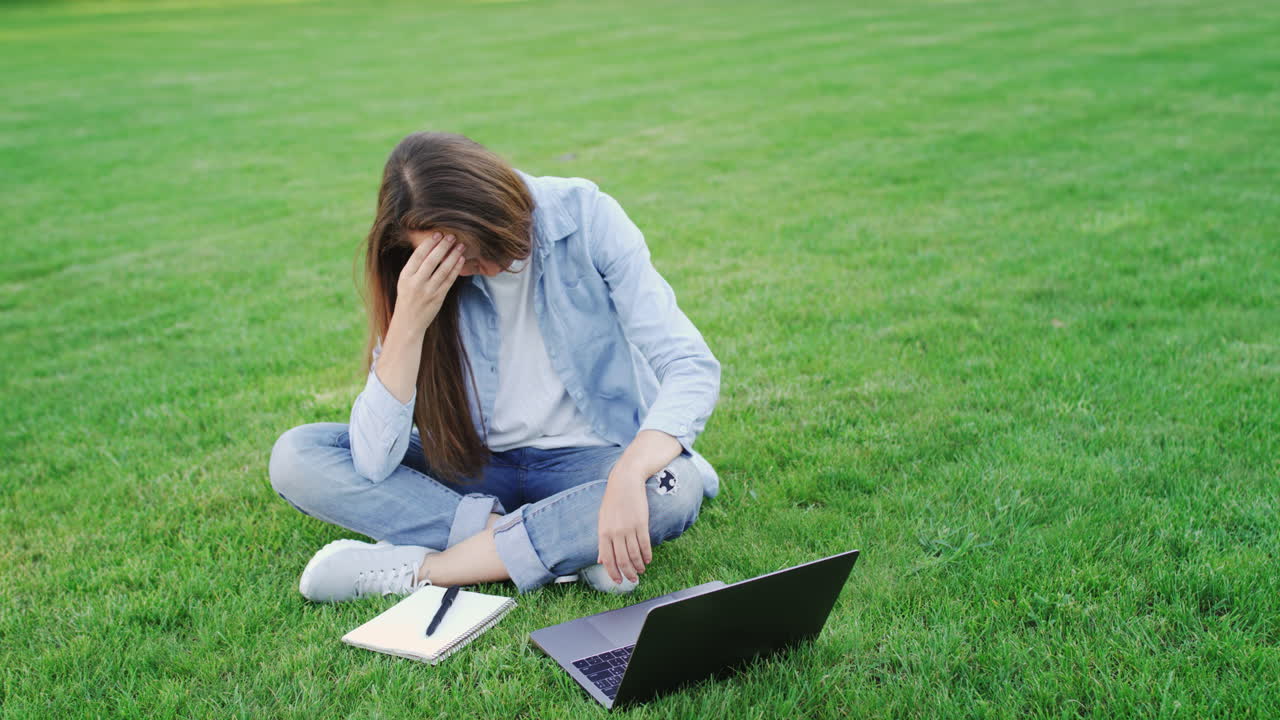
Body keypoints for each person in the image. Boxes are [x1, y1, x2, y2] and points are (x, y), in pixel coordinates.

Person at [268, 131, 721, 602]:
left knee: (674, 487)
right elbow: (374, 462)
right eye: (448, 256)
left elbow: (689, 364)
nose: (474, 264)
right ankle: (567, 542)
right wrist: (407, 322)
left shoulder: (585, 216)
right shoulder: (418, 283)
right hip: (474, 465)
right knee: (297, 455)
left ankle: (431, 568)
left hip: (591, 461)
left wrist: (628, 476)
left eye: (473, 245)